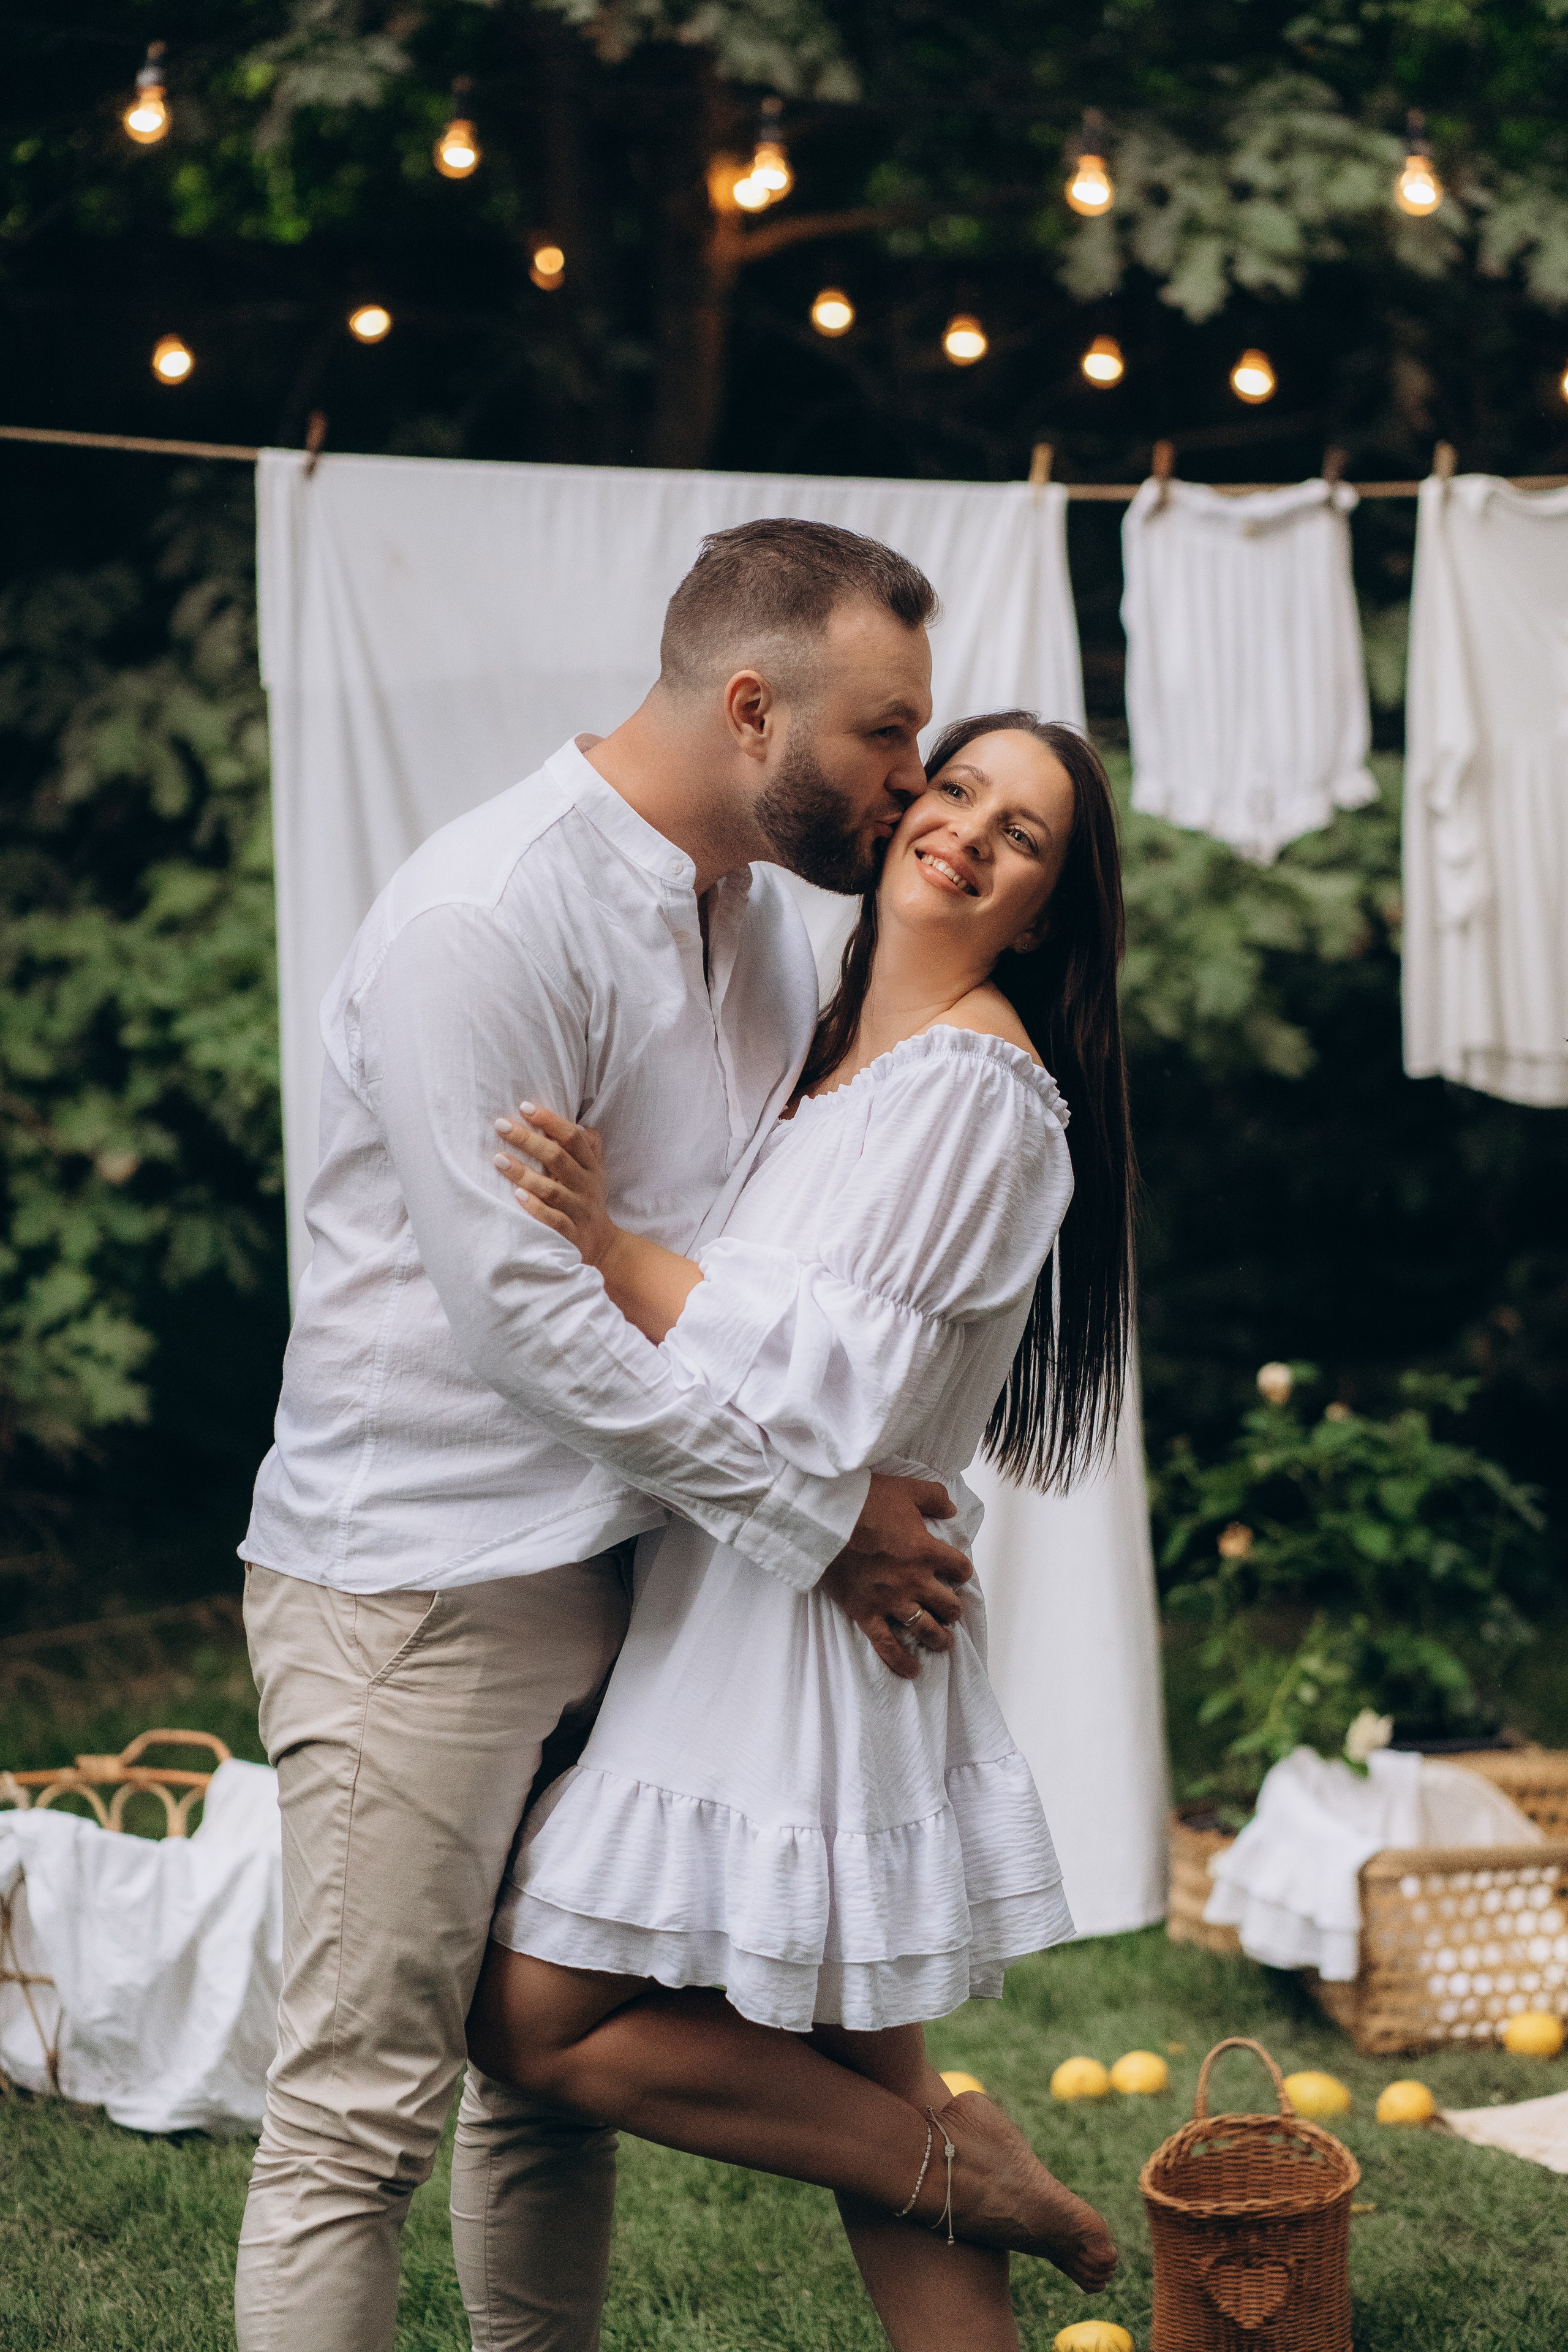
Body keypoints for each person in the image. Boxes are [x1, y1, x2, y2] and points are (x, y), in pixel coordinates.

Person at [233, 521, 990, 2352]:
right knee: (357, 2120)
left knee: (553, 2094)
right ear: (753, 707)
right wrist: (825, 1523)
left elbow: (727, 1272)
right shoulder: (486, 919)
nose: (914, 780)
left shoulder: (758, 923)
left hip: (628, 1581)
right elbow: (525, 1328)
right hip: (419, 1589)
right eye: (887, 735)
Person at [473, 710, 1136, 2351]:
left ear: (1041, 911)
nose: (969, 832)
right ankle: (952, 2166)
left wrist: (607, 1247)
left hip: (812, 1627)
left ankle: (970, 2170)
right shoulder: (842, 1057)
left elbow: (831, 1375)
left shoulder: (982, 1086)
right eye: (958, 789)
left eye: (1024, 836)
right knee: (872, 2091)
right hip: (771, 1587)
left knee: (535, 2022)